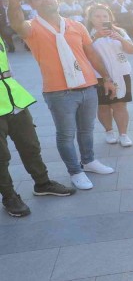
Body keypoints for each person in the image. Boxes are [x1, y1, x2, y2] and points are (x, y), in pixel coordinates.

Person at [8, 0, 116, 191]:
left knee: (86, 129)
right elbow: (15, 22)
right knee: (66, 134)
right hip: (58, 91)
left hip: (88, 86)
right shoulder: (32, 27)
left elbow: (91, 53)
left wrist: (107, 78)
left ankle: (89, 161)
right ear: (33, 4)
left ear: (57, 0)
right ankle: (75, 171)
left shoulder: (76, 25)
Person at [0, 37, 76, 217]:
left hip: (15, 100)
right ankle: (9, 196)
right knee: (1, 158)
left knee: (31, 146)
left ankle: (42, 183)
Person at [86, 4, 133, 147]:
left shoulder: (119, 31)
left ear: (110, 18)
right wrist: (95, 36)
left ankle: (123, 134)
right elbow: (82, 50)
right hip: (98, 75)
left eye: (105, 16)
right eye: (97, 16)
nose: (101, 19)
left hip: (121, 72)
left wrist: (120, 38)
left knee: (120, 105)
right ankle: (109, 131)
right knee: (103, 106)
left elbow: (132, 50)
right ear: (90, 18)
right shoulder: (87, 33)